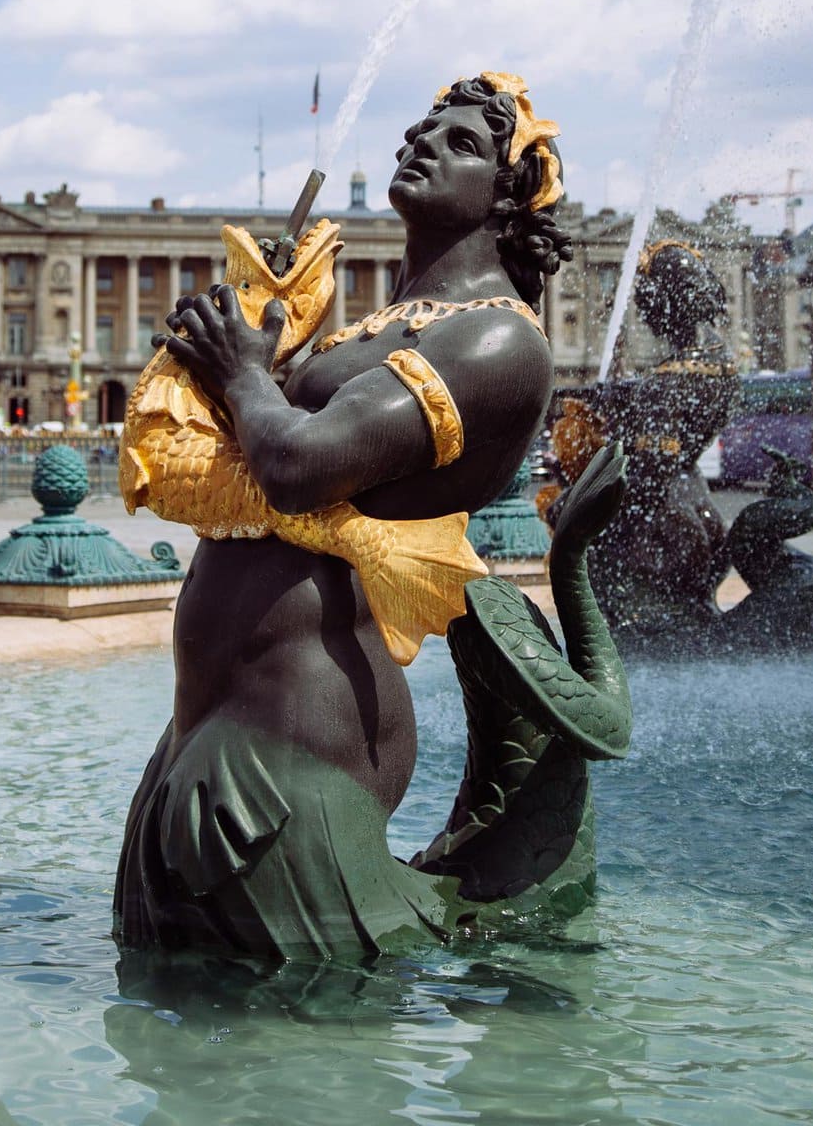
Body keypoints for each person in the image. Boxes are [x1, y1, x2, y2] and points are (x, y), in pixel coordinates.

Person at [114, 73, 629, 960]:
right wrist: (220, 350)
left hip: (293, 740)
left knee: (304, 1066)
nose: (423, 142)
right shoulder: (375, 327)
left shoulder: (497, 339)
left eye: (462, 142)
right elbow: (251, 447)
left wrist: (244, 373)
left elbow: (298, 467)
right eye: (425, 128)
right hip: (206, 727)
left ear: (507, 199)